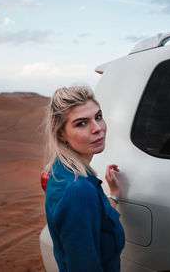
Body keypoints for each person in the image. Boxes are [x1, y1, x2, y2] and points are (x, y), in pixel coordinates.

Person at [44, 85, 125, 272]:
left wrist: (113, 195)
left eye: (98, 117)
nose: (98, 128)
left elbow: (96, 221)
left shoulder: (62, 170)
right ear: (61, 133)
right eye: (81, 123)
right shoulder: (77, 190)